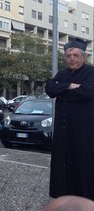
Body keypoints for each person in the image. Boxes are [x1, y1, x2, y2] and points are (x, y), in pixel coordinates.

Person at [45, 38, 94, 200]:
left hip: (83, 131)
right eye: (68, 56)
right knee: (63, 164)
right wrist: (68, 86)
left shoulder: (91, 72)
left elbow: (86, 92)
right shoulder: (62, 73)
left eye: (75, 55)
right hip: (63, 132)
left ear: (83, 57)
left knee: (83, 164)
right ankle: (64, 197)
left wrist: (62, 91)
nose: (71, 59)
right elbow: (50, 89)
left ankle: (85, 200)